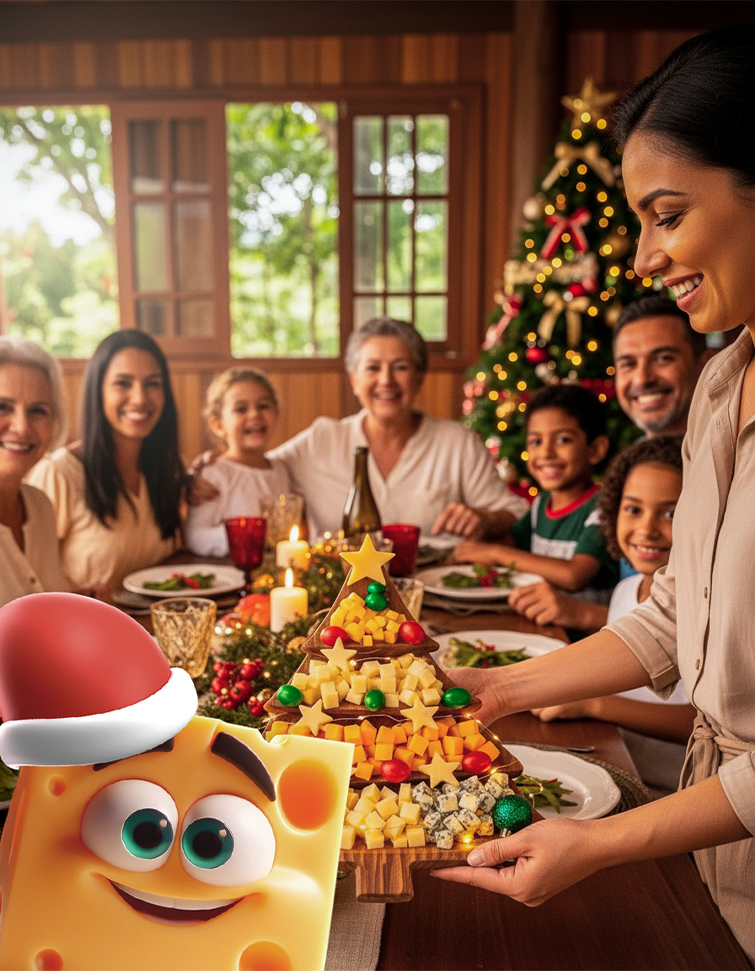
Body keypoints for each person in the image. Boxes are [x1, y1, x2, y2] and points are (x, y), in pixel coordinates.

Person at [433, 27, 755, 963]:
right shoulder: (722, 380)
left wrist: (600, 841)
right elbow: (665, 621)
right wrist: (493, 688)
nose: (643, 258)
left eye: (667, 214)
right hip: (716, 853)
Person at [532, 435, 694, 797]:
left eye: (671, 513)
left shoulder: (704, 610)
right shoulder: (626, 590)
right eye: (633, 509)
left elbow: (700, 724)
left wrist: (592, 704)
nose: (647, 528)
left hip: (668, 793)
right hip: (616, 765)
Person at [267, 317, 527, 540]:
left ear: (419, 378)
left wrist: (484, 518)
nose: (386, 380)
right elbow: (258, 467)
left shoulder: (457, 442)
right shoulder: (322, 439)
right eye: (372, 368)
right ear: (354, 380)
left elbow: (513, 511)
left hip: (435, 590)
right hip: (342, 593)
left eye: (400, 367)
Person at [27, 330, 183, 599]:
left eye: (153, 384)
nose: (140, 398)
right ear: (97, 391)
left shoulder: (168, 468)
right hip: (82, 632)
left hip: (157, 629)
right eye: (123, 383)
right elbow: (29, 577)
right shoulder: (60, 474)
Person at [451, 385, 618, 601]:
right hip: (543, 621)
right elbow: (513, 543)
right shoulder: (542, 503)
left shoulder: (603, 507)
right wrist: (478, 538)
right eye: (536, 442)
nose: (546, 453)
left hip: (585, 632)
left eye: (563, 439)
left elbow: (574, 576)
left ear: (595, 450)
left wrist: (494, 553)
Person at [184, 367, 293, 557]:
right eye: (241, 409)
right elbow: (195, 536)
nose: (254, 415)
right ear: (218, 425)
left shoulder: (281, 470)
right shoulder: (214, 473)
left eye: (263, 406)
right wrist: (247, 537)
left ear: (276, 414)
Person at [0, 336, 69, 606]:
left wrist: (78, 599)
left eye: (38, 411)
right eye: (3, 407)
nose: (21, 427)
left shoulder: (40, 506)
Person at [613, 293, 706, 437]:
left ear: (703, 364)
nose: (642, 379)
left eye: (663, 358)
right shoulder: (631, 458)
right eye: (628, 364)